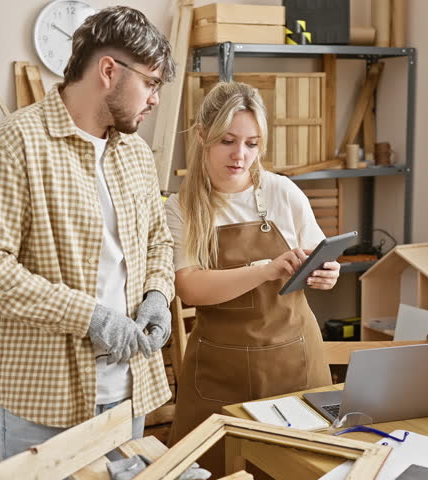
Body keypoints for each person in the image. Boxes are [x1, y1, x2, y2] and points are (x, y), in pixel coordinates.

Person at [0, 6, 176, 460]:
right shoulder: (14, 144)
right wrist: (92, 318)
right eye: (151, 83)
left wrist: (157, 293)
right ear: (109, 70)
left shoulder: (134, 152)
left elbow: (158, 241)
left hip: (129, 388)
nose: (155, 98)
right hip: (45, 402)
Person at [166, 82, 341, 473]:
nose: (240, 156)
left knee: (303, 469)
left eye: (252, 143)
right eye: (228, 141)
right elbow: (189, 285)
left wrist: (328, 273)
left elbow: (317, 256)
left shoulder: (282, 192)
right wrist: (265, 270)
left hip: (294, 359)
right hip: (218, 372)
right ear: (202, 136)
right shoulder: (182, 208)